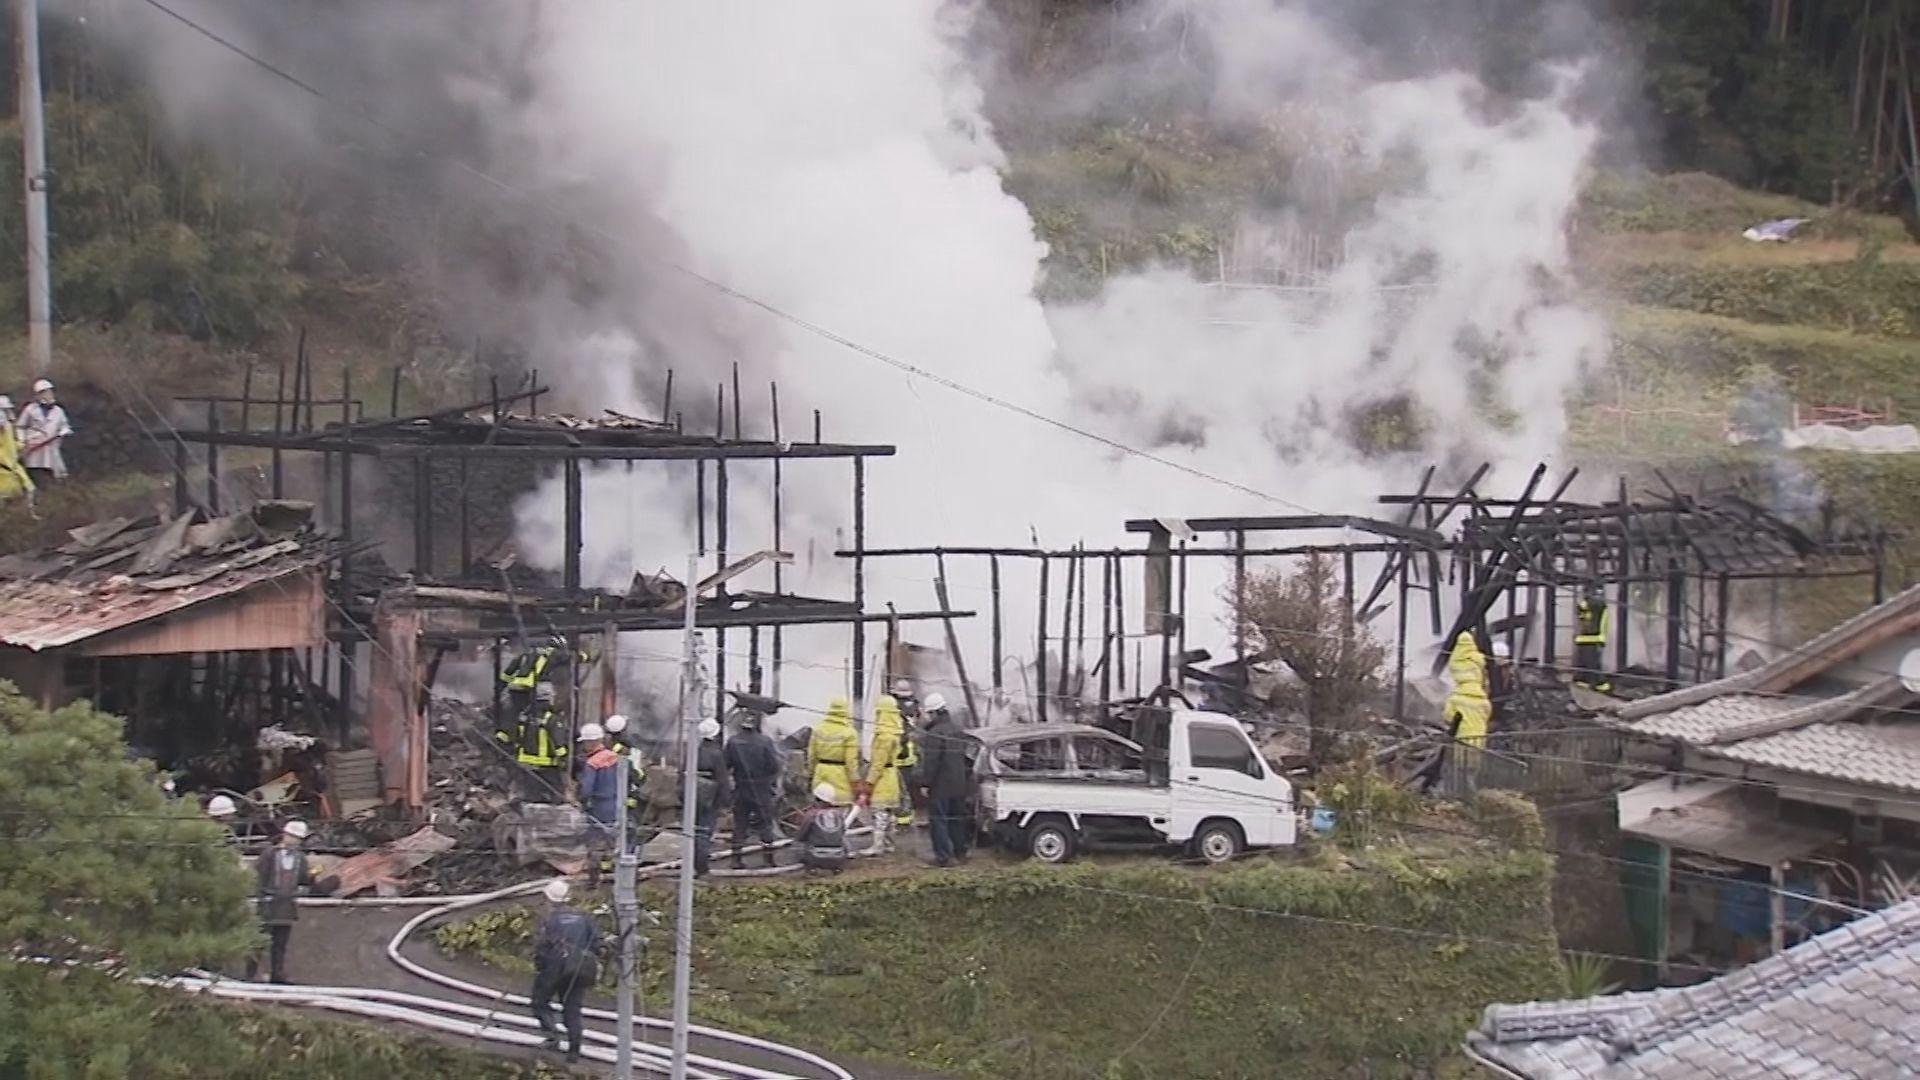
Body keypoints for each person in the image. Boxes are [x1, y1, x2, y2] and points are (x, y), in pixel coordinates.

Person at [530, 878, 600, 1063]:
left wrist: (540, 966)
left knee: (539, 1002)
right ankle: (574, 1051)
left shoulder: (549, 920)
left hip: (554, 969)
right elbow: (596, 944)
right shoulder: (584, 917)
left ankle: (553, 1037)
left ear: (549, 898)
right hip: (579, 970)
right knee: (572, 1010)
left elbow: (541, 947)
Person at [250, 820, 314, 983]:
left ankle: (277, 974)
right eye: (293, 836)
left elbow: (303, 880)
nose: (295, 841)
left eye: (298, 838)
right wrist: (260, 896)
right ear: (285, 835)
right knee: (259, 942)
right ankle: (251, 974)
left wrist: (311, 878)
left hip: (287, 906)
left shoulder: (300, 858)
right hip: (268, 904)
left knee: (280, 943)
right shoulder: (269, 854)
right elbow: (258, 876)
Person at [915, 693, 972, 867]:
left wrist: (925, 783)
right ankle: (960, 852)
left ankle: (943, 857)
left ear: (933, 713)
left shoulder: (934, 733)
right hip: (959, 783)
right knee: (956, 819)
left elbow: (932, 761)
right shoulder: (957, 729)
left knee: (938, 821)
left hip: (940, 786)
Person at [724, 709, 783, 869]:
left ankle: (736, 859)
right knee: (765, 824)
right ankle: (768, 859)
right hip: (761, 788)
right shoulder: (765, 742)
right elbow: (774, 766)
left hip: (741, 787)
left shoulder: (733, 742)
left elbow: (726, 765)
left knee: (740, 824)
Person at [496, 682, 569, 802]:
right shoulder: (551, 719)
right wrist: (564, 759)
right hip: (548, 766)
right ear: (549, 698)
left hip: (526, 766)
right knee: (557, 797)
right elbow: (559, 744)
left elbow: (509, 735)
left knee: (532, 798)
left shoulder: (524, 716)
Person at [575, 722, 619, 885]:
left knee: (593, 842)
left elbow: (587, 789)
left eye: (585, 743)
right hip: (616, 802)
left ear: (590, 742)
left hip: (598, 806)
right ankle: (612, 871)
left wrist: (581, 802)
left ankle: (594, 879)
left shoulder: (592, 763)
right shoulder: (615, 756)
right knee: (612, 839)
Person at [863, 694, 907, 855]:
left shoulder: (884, 737)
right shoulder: (895, 734)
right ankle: (889, 844)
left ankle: (878, 845)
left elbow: (878, 763)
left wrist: (869, 782)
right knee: (889, 814)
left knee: (879, 813)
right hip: (892, 776)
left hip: (883, 779)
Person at [14, 378, 71, 485]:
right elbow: (20, 426)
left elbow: (65, 425)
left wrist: (64, 431)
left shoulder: (58, 411)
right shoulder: (30, 409)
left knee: (55, 477)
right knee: (35, 476)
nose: (49, 394)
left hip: (51, 451)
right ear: (38, 395)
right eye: (45, 392)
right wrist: (22, 441)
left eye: (50, 391)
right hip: (34, 450)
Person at [692, 718, 729, 878]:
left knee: (693, 831)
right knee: (704, 832)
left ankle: (694, 863)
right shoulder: (716, 753)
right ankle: (702, 868)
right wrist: (725, 800)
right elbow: (722, 779)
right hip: (709, 798)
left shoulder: (694, 750)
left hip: (693, 795)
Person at [806, 696, 858, 805]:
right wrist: (855, 782)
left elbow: (812, 755)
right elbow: (851, 762)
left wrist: (811, 773)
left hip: (820, 772)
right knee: (840, 811)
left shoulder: (818, 729)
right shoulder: (850, 732)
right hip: (840, 775)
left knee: (821, 808)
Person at [791, 783, 850, 874]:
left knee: (798, 844)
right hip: (839, 854)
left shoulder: (811, 814)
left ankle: (811, 868)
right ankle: (837, 867)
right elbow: (842, 832)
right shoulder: (838, 814)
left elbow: (801, 835)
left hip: (815, 854)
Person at [1572, 585, 1612, 692]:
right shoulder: (1590, 605)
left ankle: (1600, 685)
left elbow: (1589, 607)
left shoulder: (1597, 604)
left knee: (1592, 663)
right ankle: (1584, 683)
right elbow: (1581, 616)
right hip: (1585, 639)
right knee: (1583, 663)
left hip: (1593, 638)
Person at [0, 395, 32, 502]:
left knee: (29, 491)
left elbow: (10, 444)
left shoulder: (8, 428)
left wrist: (22, 445)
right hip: (3, 473)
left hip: (13, 471)